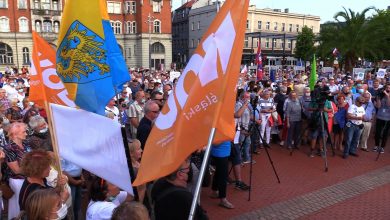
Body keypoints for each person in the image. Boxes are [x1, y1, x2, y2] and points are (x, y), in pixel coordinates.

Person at [3, 122, 31, 220]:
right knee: (18, 205)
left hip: (29, 178)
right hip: (18, 181)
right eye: (24, 132)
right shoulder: (9, 148)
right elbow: (16, 170)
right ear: (15, 134)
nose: (26, 134)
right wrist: (35, 169)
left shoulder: (26, 143)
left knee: (28, 204)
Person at [210, 141, 234, 209]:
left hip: (223, 152)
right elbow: (215, 143)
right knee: (223, 177)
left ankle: (214, 191)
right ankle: (223, 199)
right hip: (220, 153)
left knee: (218, 173)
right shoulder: (221, 130)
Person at [234, 91, 252, 164]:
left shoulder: (247, 105)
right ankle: (239, 160)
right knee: (240, 144)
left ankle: (246, 158)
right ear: (242, 97)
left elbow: (249, 115)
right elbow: (237, 116)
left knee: (247, 143)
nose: (249, 98)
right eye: (247, 97)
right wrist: (241, 129)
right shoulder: (238, 104)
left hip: (246, 127)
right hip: (240, 128)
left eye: (249, 97)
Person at [373, 83, 390, 154]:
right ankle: (376, 145)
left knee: (385, 133)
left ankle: (382, 147)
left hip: (388, 118)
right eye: (387, 87)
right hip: (380, 116)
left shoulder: (388, 95)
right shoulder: (381, 95)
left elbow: (389, 104)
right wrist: (378, 98)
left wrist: (387, 96)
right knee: (378, 132)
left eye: (389, 88)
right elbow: (378, 106)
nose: (388, 89)